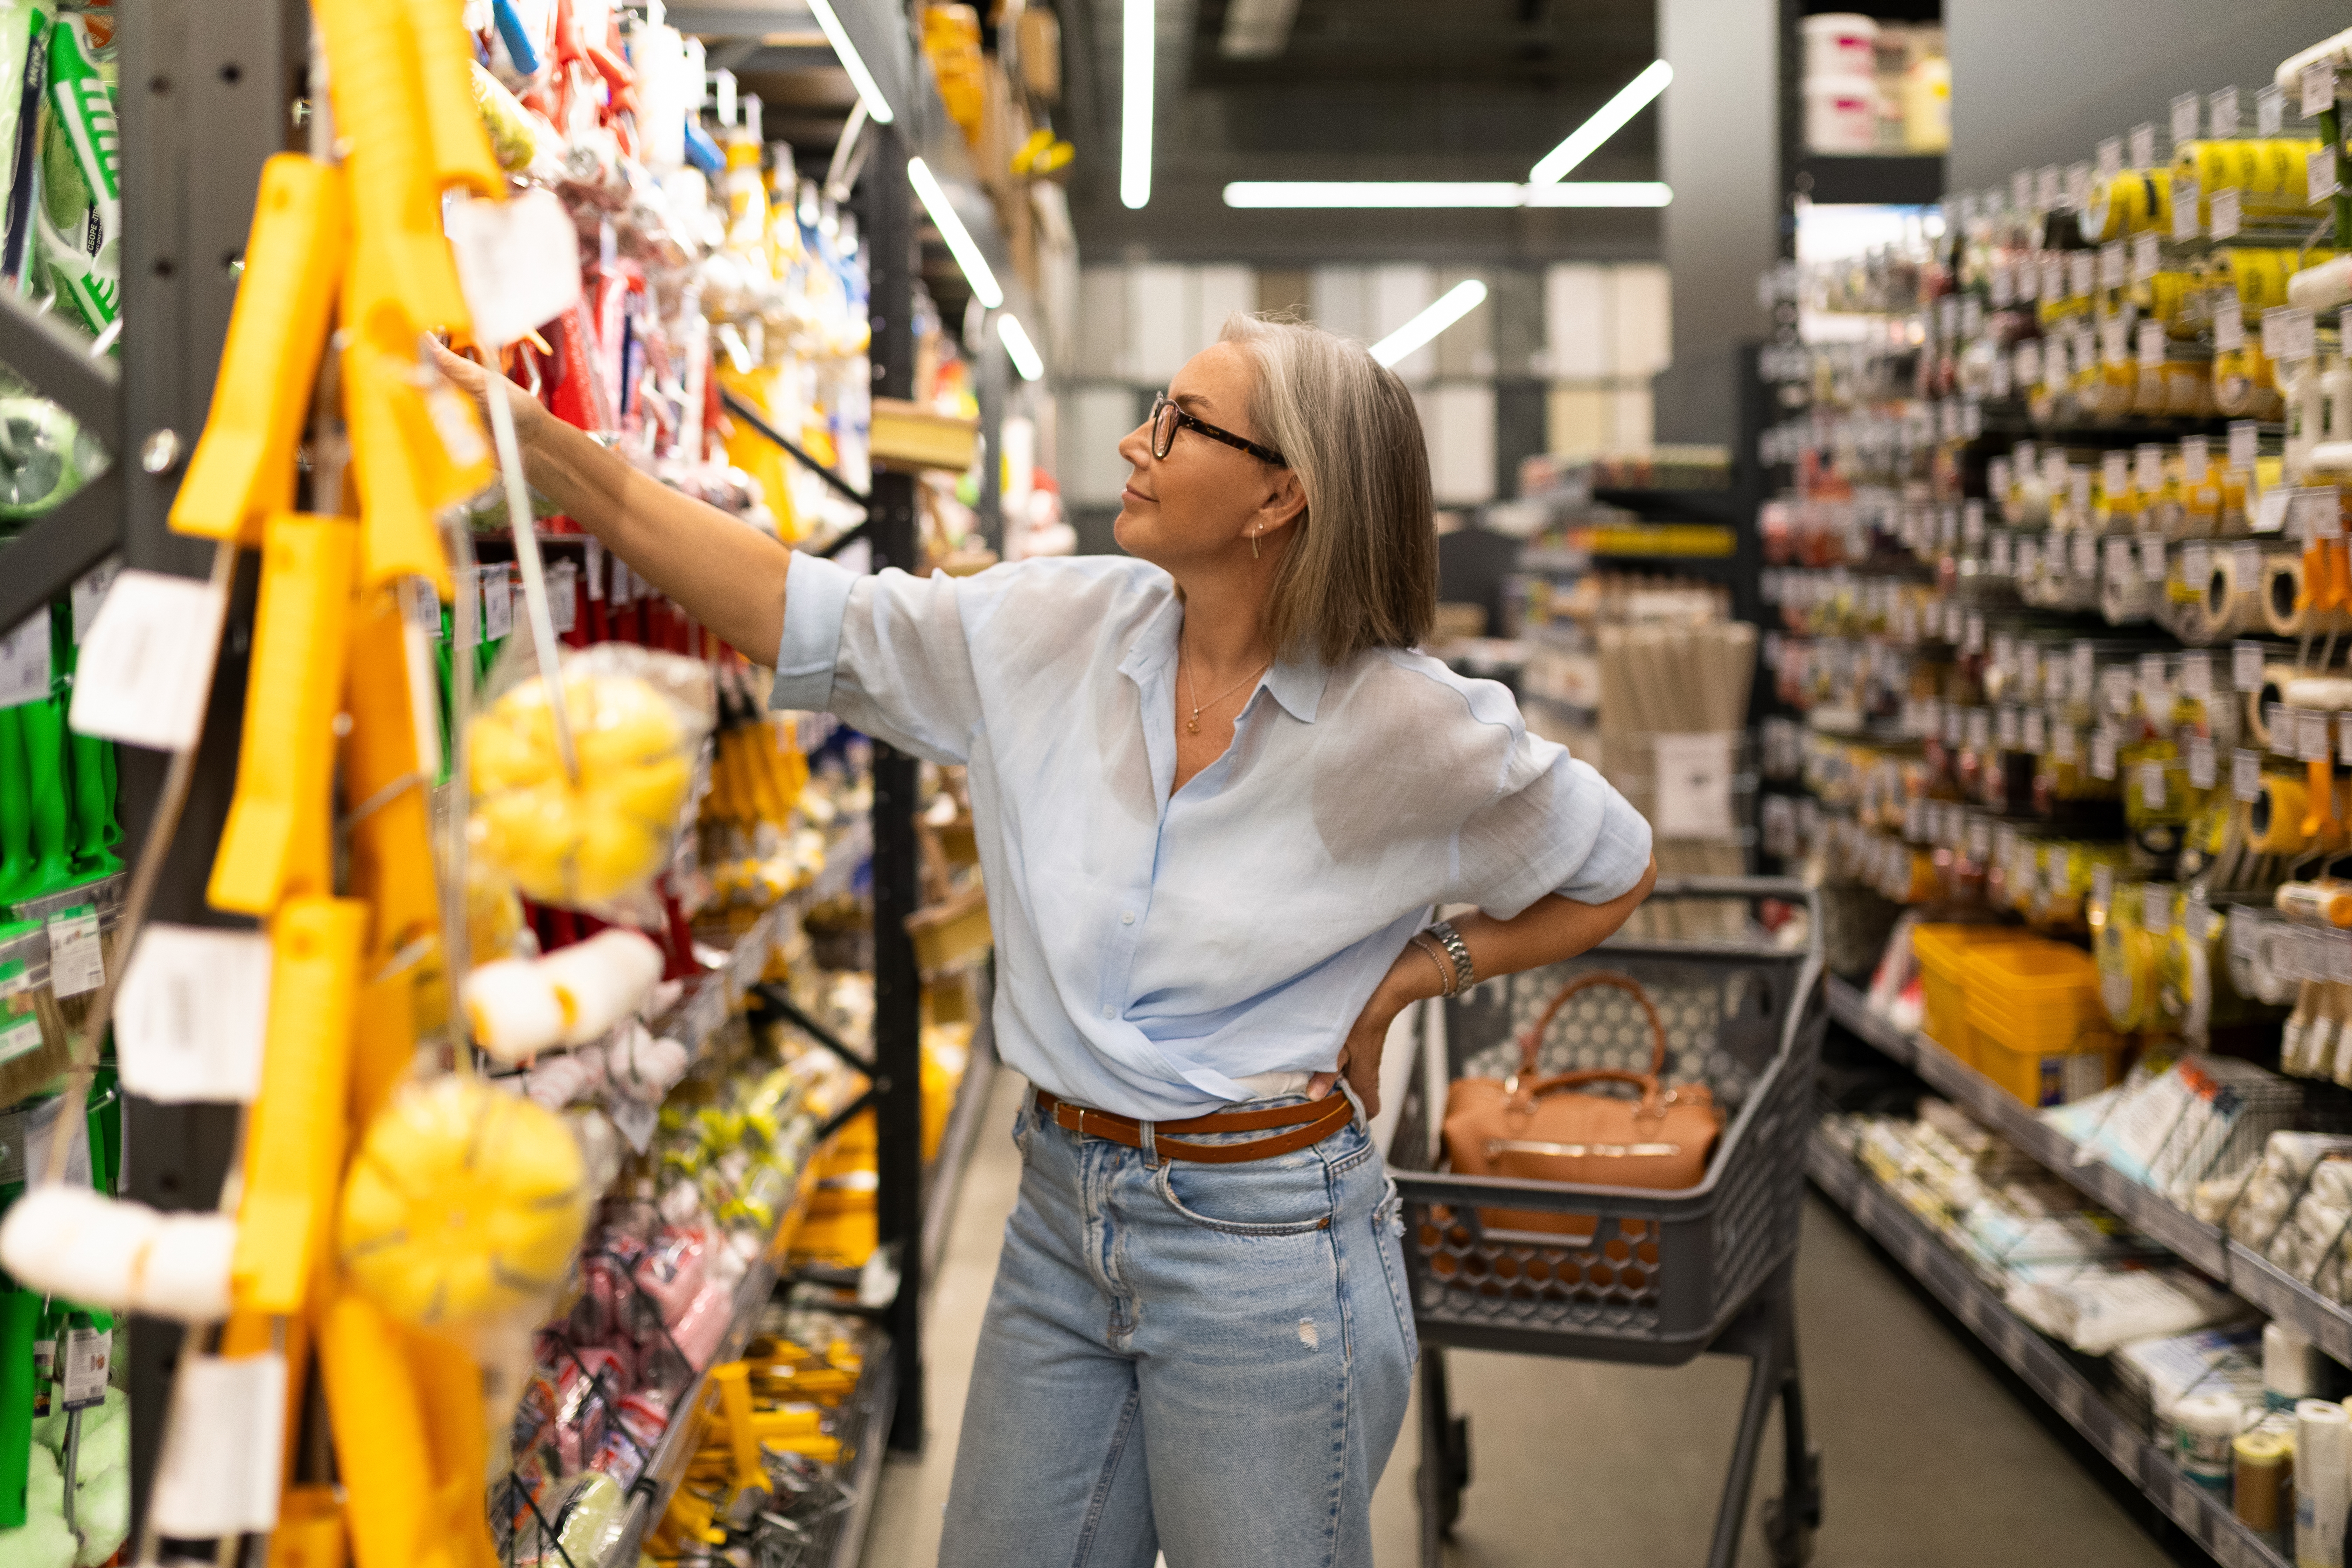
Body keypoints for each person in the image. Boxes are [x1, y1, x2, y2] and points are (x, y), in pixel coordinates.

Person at [434, 313, 1656, 1567]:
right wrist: (543, 445)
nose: (1137, 440)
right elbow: (799, 612)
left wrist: (1415, 976)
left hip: (1270, 1252)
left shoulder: (1411, 725)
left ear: (1280, 495)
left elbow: (1614, 868)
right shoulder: (1058, 627)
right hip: (1062, 1216)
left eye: (1181, 422)